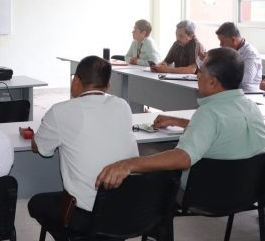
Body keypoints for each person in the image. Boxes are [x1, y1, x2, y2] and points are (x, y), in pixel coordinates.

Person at [96, 47, 265, 191]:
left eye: (201, 71)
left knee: (147, 159)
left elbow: (183, 158)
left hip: (209, 193)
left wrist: (129, 164)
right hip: (247, 191)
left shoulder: (209, 113)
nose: (197, 76)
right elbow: (225, 129)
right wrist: (178, 122)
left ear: (213, 82)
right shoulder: (252, 108)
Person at [27, 56, 138, 241]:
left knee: (36, 204)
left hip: (87, 214)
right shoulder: (123, 106)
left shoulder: (61, 111)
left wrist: (41, 133)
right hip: (126, 207)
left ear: (76, 81)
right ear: (108, 85)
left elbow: (38, 146)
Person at [215, 22, 262, 94]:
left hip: (248, 93)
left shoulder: (251, 54)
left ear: (233, 40)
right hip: (232, 91)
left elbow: (245, 80)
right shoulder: (229, 51)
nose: (220, 44)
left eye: (222, 42)